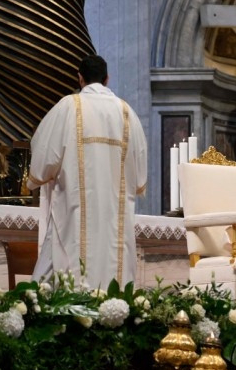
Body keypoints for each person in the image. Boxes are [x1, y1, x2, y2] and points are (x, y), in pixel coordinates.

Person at [28, 55, 148, 288]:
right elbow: (140, 175)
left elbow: (43, 159)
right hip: (114, 216)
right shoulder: (126, 113)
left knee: (62, 271)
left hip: (74, 213)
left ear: (80, 78)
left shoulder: (68, 107)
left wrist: (37, 177)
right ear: (107, 79)